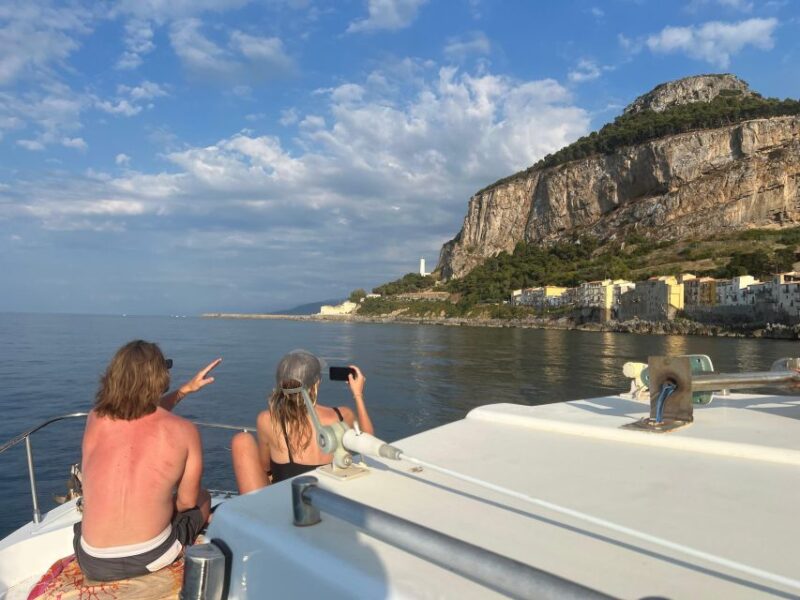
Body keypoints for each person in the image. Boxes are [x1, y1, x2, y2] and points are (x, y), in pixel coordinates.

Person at [73, 340, 221, 582]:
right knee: (202, 497)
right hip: (151, 557)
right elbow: (186, 502)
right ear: (160, 378)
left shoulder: (95, 418)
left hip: (91, 561)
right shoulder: (184, 430)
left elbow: (136, 413)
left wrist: (185, 391)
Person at [231, 350, 373, 493]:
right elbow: (368, 444)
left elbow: (265, 467)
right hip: (328, 501)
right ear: (316, 384)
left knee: (242, 441)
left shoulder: (268, 420)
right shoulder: (342, 415)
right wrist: (358, 394)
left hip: (286, 502)